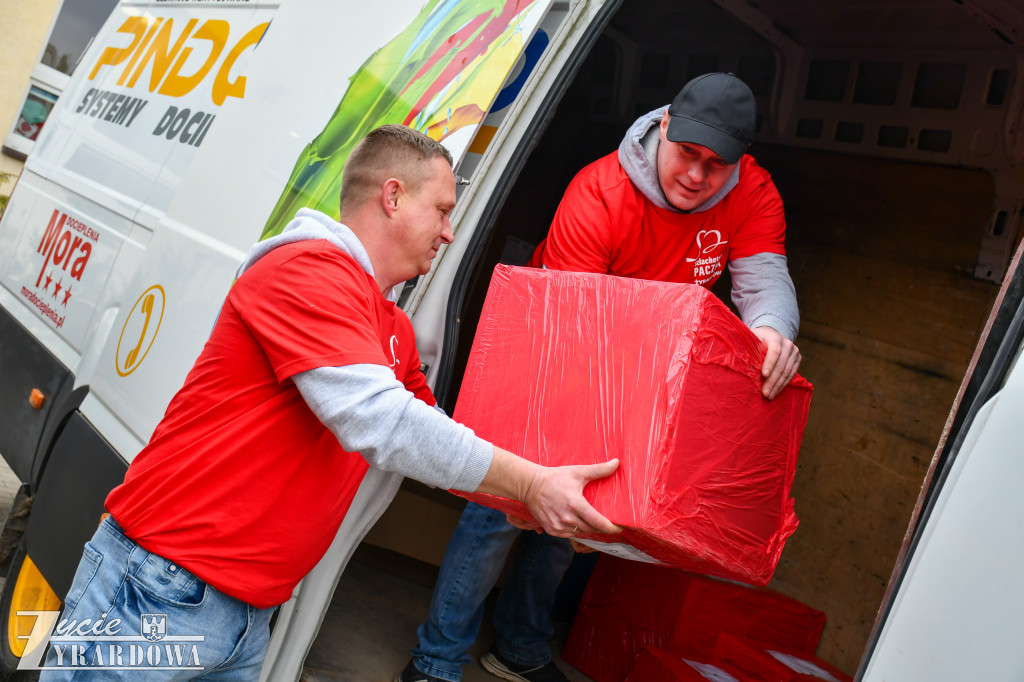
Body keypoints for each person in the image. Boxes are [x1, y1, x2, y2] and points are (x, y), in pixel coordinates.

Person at [38, 125, 621, 681]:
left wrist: (523, 500)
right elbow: (380, 420)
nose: (449, 233)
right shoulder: (307, 270)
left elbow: (428, 433)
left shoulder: (391, 325)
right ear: (392, 196)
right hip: (160, 588)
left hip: (248, 614)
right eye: (443, 211)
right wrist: (529, 483)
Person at [401, 73, 802, 682]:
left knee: (576, 520)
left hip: (647, 373)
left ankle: (519, 649)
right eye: (688, 155)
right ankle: (435, 660)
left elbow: (763, 276)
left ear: (741, 162)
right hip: (555, 350)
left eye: (716, 166)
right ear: (665, 126)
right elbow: (574, 326)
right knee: (503, 510)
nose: (697, 176)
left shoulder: (755, 194)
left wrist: (771, 329)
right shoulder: (600, 192)